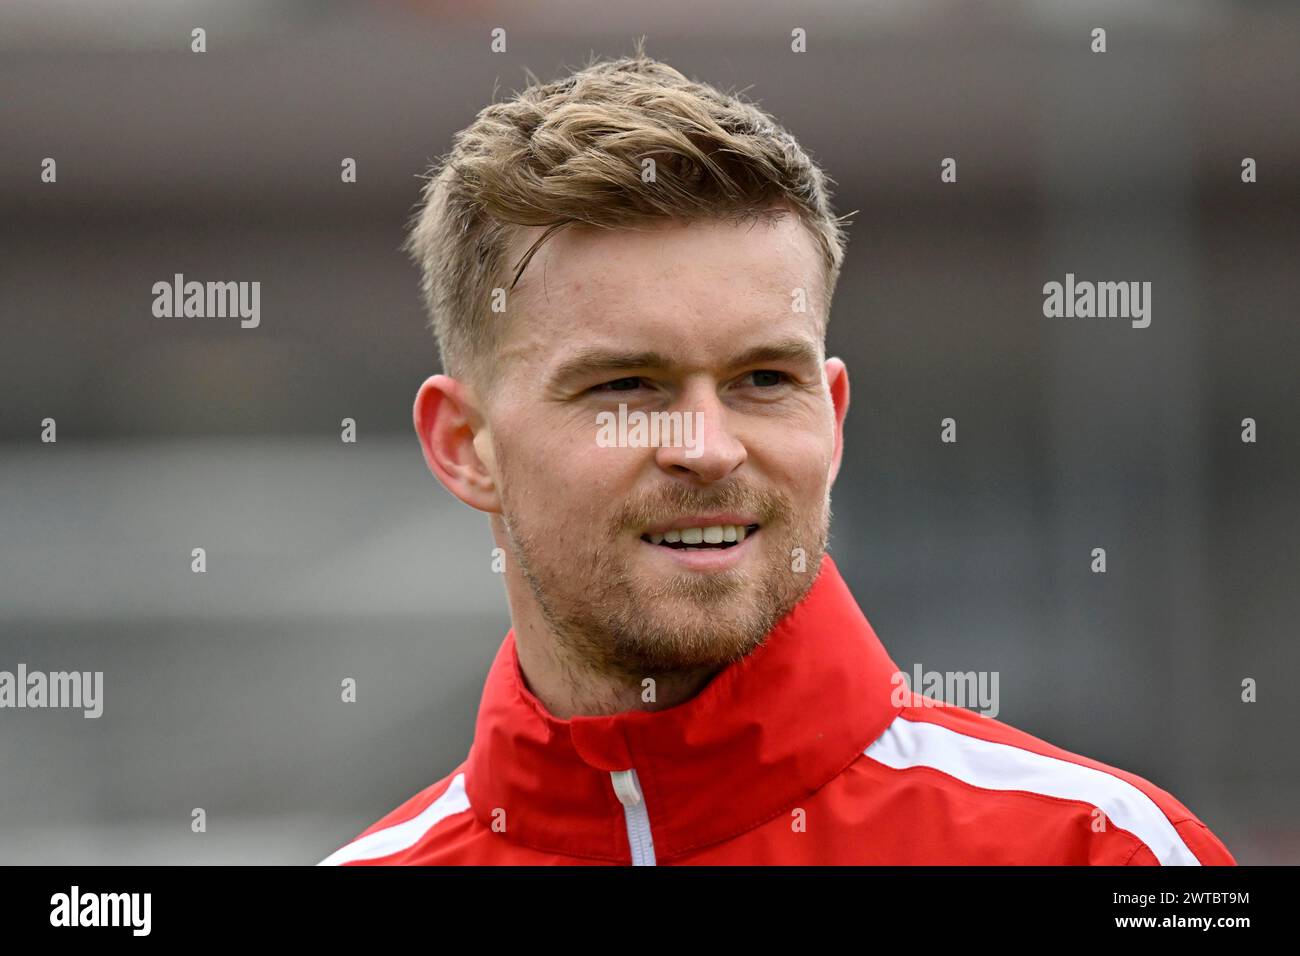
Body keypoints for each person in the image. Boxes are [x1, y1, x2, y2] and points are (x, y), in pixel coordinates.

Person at [319, 46, 1234, 866]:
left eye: (762, 379)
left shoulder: (1106, 854)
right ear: (464, 446)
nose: (708, 450)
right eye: (626, 387)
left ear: (831, 420)